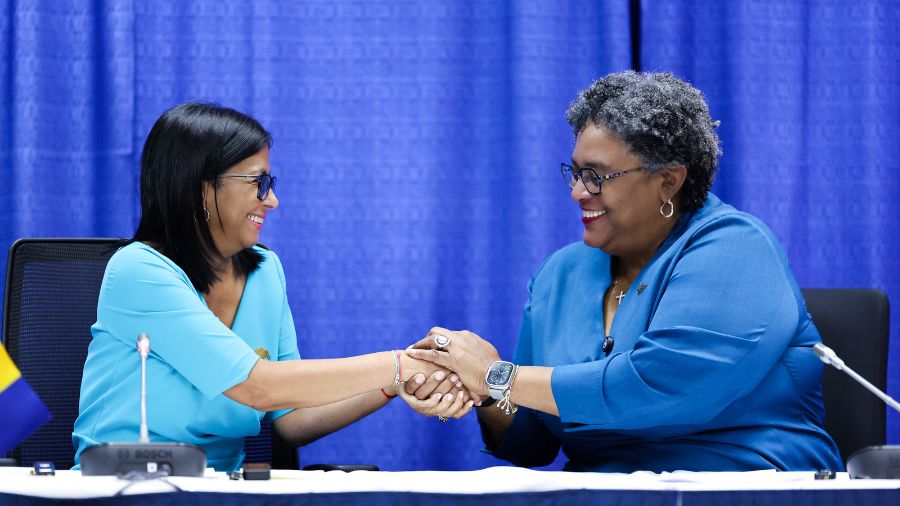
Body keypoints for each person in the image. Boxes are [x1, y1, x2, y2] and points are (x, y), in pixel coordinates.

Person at [406, 71, 844, 472]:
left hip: (743, 484)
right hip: (600, 492)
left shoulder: (737, 249)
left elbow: (657, 389)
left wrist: (498, 376)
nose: (579, 192)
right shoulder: (560, 274)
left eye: (596, 176)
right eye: (575, 174)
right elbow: (532, 443)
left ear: (668, 181)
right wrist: (484, 393)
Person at [73, 103, 460, 472]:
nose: (272, 200)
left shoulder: (265, 271)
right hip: (121, 485)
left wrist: (394, 382)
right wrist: (399, 361)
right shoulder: (138, 271)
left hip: (223, 489)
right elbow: (257, 387)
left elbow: (290, 417)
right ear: (200, 189)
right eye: (258, 183)